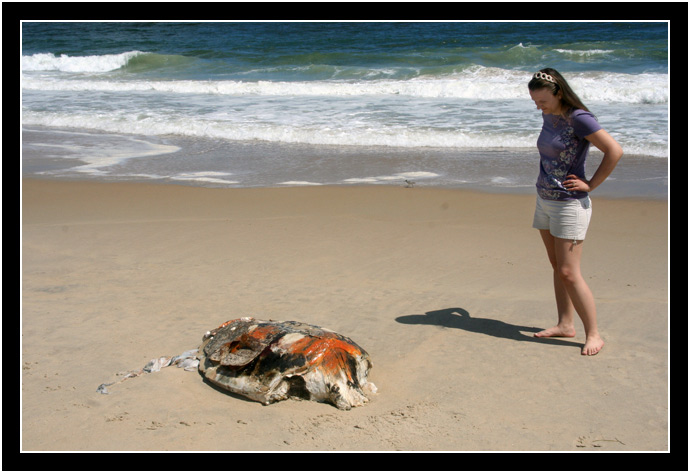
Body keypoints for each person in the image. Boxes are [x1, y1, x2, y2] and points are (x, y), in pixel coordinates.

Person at [528, 68, 623, 356]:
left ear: (558, 92)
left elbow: (614, 150)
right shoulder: (549, 115)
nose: (538, 107)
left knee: (569, 272)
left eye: (542, 101)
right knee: (558, 267)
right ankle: (564, 324)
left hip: (570, 203)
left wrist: (590, 184)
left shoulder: (579, 118)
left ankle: (593, 334)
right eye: (535, 102)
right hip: (544, 199)